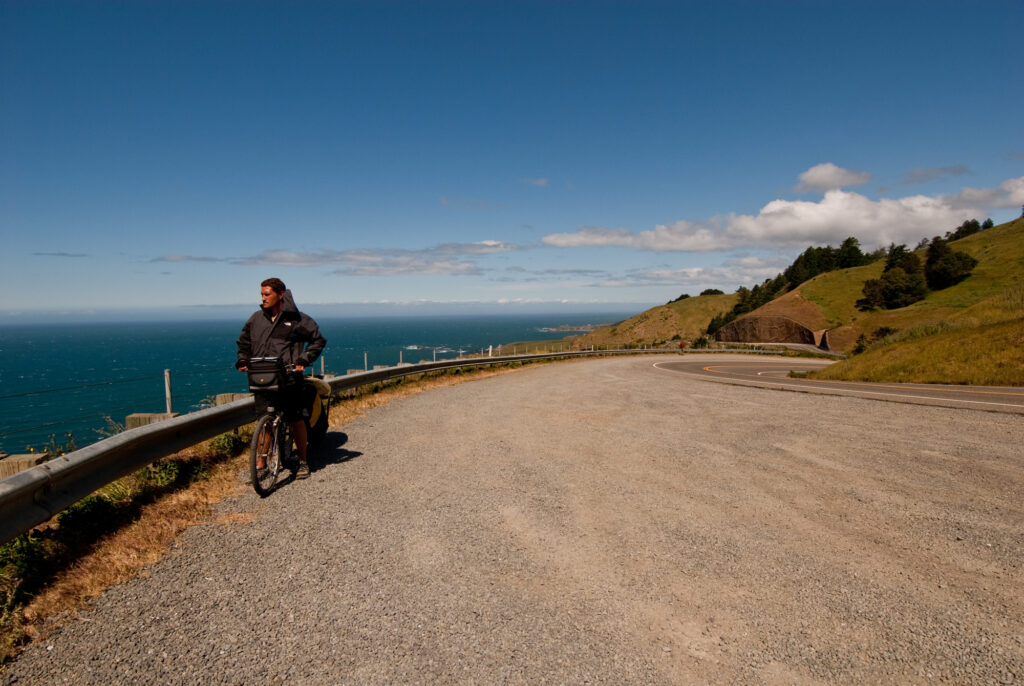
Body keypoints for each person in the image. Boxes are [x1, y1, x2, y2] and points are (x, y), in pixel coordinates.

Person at [236, 278, 326, 479]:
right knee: (265, 421)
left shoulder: (297, 319)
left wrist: (304, 359)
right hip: (262, 378)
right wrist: (242, 359)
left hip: (290, 379)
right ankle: (261, 465)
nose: (263, 298)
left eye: (267, 294)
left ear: (280, 294)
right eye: (262, 294)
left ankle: (302, 461)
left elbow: (318, 341)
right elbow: (244, 342)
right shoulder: (256, 319)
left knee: (295, 419)